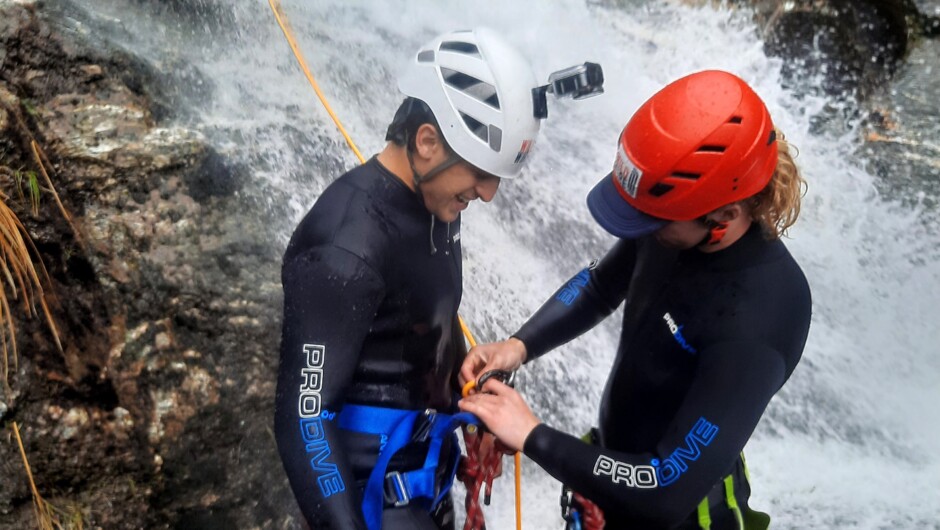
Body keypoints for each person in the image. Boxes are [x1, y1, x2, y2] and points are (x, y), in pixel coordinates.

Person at [458, 70, 811, 530]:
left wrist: (531, 435)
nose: (640, 229)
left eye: (653, 219)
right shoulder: (675, 223)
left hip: (683, 514)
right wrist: (518, 346)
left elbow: (665, 488)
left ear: (725, 214)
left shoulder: (763, 315)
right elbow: (604, 283)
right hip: (609, 487)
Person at [274, 28, 551, 530]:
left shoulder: (438, 202)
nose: (488, 194)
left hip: (426, 477)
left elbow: (410, 325)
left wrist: (463, 387)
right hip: (372, 498)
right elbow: (304, 418)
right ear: (427, 141)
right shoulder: (344, 248)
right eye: (481, 173)